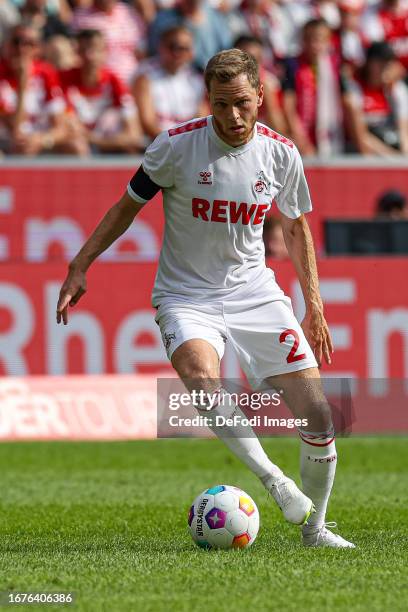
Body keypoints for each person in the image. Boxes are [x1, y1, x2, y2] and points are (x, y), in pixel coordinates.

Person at [57, 48, 355, 548]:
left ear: (260, 95)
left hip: (255, 291)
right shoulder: (175, 146)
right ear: (207, 101)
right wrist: (79, 264)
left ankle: (316, 528)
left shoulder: (281, 153)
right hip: (185, 294)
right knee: (201, 377)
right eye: (220, 105)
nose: (232, 117)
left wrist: (315, 307)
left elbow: (296, 228)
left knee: (319, 414)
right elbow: (125, 207)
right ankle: (274, 480)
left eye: (241, 102)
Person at [59, 29, 143, 154]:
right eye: (83, 50)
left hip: (105, 144)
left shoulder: (115, 82)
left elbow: (134, 134)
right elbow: (66, 125)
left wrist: (95, 140)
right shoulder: (63, 79)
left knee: (132, 148)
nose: (89, 56)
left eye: (95, 50)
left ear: (105, 52)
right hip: (79, 147)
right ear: (77, 53)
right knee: (76, 146)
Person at [0, 23, 73, 155]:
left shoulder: (46, 73)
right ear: (7, 45)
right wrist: (22, 85)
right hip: (8, 143)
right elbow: (15, 128)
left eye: (29, 43)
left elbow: (61, 127)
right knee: (21, 147)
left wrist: (43, 140)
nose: (22, 49)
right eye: (17, 42)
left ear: (38, 49)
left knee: (75, 145)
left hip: (39, 138)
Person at [133, 25, 207, 140]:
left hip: (189, 143)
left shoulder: (197, 79)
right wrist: (172, 143)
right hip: (158, 144)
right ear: (161, 47)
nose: (178, 53)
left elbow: (202, 118)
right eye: (173, 46)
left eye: (184, 48)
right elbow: (147, 122)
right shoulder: (145, 77)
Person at [282, 18, 344, 156]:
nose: (315, 45)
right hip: (301, 133)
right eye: (310, 39)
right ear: (302, 40)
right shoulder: (293, 65)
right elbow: (288, 105)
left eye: (320, 40)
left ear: (329, 41)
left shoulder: (335, 66)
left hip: (328, 130)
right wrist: (301, 140)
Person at [342, 41, 408, 154]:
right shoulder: (354, 88)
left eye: (388, 61)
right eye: (380, 61)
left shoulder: (395, 89)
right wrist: (392, 159)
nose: (385, 66)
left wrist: (402, 159)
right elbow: (361, 137)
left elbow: (404, 133)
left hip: (391, 147)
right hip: (364, 155)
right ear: (369, 63)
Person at [234, 34, 287, 134]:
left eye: (255, 60)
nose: (251, 66)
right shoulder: (221, 84)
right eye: (245, 60)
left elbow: (279, 127)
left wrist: (269, 101)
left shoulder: (271, 83)